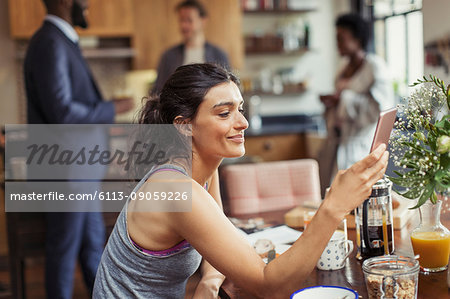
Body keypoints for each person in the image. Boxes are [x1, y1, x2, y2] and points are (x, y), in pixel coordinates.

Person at [93, 63, 389, 298]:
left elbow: (215, 229)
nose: (243, 123)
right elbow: (270, 287)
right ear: (184, 127)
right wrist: (333, 207)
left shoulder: (202, 171)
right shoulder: (177, 190)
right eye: (225, 113)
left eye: (240, 109)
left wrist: (210, 278)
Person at [23, 0, 133, 298]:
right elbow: (63, 112)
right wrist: (114, 107)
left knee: (92, 246)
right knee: (64, 249)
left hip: (80, 169)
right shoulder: (50, 42)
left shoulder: (61, 40)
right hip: (66, 170)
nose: (88, 5)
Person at [319, 13, 394, 195]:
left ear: (357, 38)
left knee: (359, 197)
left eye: (341, 38)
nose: (337, 44)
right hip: (338, 142)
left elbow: (381, 109)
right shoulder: (343, 68)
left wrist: (344, 98)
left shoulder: (375, 67)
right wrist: (332, 103)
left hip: (361, 145)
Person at [151, 0, 230, 94]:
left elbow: (228, 90)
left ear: (203, 21)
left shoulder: (219, 55)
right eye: (181, 20)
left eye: (189, 20)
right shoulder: (168, 56)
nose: (184, 25)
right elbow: (158, 91)